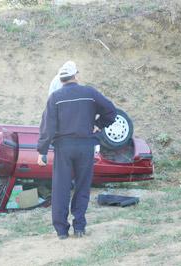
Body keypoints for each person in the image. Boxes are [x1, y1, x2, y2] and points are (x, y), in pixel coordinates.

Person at [37, 61, 116, 239]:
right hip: (85, 146)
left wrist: (42, 151)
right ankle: (79, 227)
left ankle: (62, 231)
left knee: (61, 188)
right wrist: (98, 124)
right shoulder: (90, 93)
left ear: (61, 79)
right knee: (82, 186)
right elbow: (111, 111)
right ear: (76, 76)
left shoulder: (55, 97)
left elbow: (47, 127)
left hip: (63, 147)